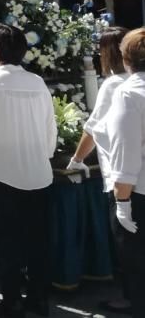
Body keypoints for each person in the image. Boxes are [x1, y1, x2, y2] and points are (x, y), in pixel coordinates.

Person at [0, 24, 56, 317]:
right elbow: (49, 130)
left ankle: (12, 300)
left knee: (8, 241)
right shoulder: (37, 82)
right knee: (37, 241)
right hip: (38, 173)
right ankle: (39, 299)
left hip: (2, 174)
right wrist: (42, 156)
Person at [67, 26, 132, 313]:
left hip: (121, 178)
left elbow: (93, 129)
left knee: (128, 245)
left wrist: (77, 160)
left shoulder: (114, 85)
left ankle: (130, 297)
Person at [105, 28, 145, 317]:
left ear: (126, 58)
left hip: (140, 191)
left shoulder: (128, 93)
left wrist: (122, 202)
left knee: (136, 260)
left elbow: (125, 151)